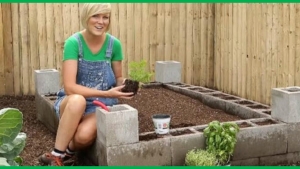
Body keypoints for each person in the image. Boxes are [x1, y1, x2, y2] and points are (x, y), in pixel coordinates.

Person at [38, 3, 134, 166]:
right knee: (78, 100)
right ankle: (56, 155)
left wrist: (126, 84)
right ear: (86, 17)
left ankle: (67, 153)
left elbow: (118, 77)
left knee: (82, 137)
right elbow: (69, 88)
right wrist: (107, 93)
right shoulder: (74, 43)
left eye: (105, 17)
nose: (101, 21)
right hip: (72, 102)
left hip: (100, 105)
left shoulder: (114, 45)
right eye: (95, 16)